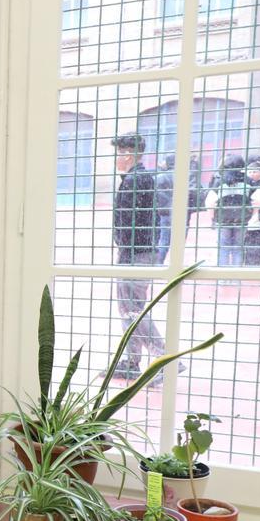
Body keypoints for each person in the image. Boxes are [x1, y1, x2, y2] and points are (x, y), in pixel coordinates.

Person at [110, 132, 164, 380]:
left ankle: (165, 359)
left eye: (118, 153)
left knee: (133, 310)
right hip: (138, 252)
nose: (116, 158)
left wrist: (125, 248)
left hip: (136, 253)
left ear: (127, 153)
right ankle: (131, 362)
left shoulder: (135, 180)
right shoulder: (138, 178)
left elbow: (130, 222)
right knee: (128, 308)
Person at [203, 154, 251, 269]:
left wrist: (213, 218)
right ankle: (236, 276)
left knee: (223, 247)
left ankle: (222, 276)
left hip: (223, 219)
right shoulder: (248, 181)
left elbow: (210, 202)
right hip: (242, 219)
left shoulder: (219, 181)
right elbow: (255, 200)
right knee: (238, 248)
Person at [153, 154, 175, 264]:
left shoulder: (161, 177)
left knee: (164, 240)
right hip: (181, 213)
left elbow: (154, 192)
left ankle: (159, 262)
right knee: (178, 241)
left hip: (164, 212)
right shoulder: (185, 176)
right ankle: (175, 263)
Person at [245, 155, 260, 266]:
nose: (252, 174)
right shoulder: (249, 182)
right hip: (253, 216)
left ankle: (253, 263)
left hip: (258, 215)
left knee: (255, 239)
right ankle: (252, 263)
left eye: (254, 172)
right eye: (250, 172)